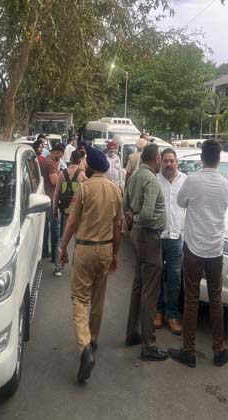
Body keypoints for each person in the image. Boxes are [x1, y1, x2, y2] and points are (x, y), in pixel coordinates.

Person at [58, 145, 122, 383]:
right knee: (98, 296)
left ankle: (84, 347)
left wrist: (63, 247)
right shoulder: (116, 190)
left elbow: (72, 222)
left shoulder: (84, 189)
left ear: (91, 167)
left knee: (79, 298)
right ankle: (93, 338)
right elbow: (118, 226)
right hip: (105, 248)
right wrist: (115, 254)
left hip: (84, 249)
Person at [169, 140, 228, 368]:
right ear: (218, 158)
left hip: (193, 248)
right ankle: (219, 350)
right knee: (215, 299)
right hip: (215, 250)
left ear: (202, 157)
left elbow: (180, 201)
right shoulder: (225, 184)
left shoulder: (192, 180)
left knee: (191, 298)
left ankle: (189, 351)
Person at [123, 143, 168, 362]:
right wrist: (137, 219)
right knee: (150, 291)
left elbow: (124, 203)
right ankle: (149, 346)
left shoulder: (135, 176)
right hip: (149, 237)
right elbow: (148, 214)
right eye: (160, 159)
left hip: (137, 236)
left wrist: (130, 216)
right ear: (156, 159)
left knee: (139, 285)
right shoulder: (151, 179)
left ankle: (132, 333)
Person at [155, 148, 186, 335]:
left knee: (175, 278)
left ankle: (172, 314)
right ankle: (159, 310)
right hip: (157, 237)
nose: (168, 164)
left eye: (171, 161)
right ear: (160, 162)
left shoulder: (185, 181)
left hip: (176, 238)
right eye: (165, 160)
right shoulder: (155, 180)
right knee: (157, 276)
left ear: (176, 162)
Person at [53, 150, 88, 277]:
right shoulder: (82, 176)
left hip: (65, 212)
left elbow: (56, 194)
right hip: (78, 215)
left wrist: (55, 211)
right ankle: (77, 267)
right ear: (80, 161)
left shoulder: (62, 174)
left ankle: (58, 266)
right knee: (79, 242)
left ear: (71, 159)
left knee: (62, 240)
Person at [40, 144, 64, 262]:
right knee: (55, 229)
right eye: (60, 155)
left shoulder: (44, 160)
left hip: (44, 197)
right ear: (57, 152)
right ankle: (55, 257)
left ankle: (44, 252)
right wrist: (61, 174)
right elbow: (54, 181)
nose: (60, 158)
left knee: (45, 228)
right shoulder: (50, 163)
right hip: (51, 198)